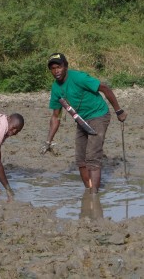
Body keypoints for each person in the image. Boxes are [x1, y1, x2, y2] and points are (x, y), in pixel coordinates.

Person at [43, 53, 127, 193]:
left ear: (66, 66)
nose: (56, 71)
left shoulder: (79, 78)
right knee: (81, 160)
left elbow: (104, 88)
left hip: (99, 114)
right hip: (81, 120)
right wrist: (48, 141)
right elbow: (55, 117)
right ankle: (89, 191)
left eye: (59, 67)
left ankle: (94, 196)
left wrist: (119, 111)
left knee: (92, 157)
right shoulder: (56, 88)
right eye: (53, 68)